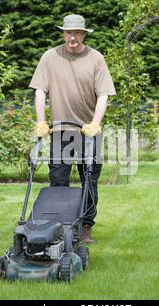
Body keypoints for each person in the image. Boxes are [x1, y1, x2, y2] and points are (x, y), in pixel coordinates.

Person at [29, 14, 116, 244]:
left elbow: (104, 95)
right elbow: (39, 91)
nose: (73, 37)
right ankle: (59, 226)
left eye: (77, 33)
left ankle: (86, 227)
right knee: (58, 181)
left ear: (84, 34)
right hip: (61, 132)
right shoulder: (50, 57)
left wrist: (95, 123)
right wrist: (41, 121)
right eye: (69, 32)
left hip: (89, 132)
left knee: (89, 180)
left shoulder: (96, 58)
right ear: (63, 33)